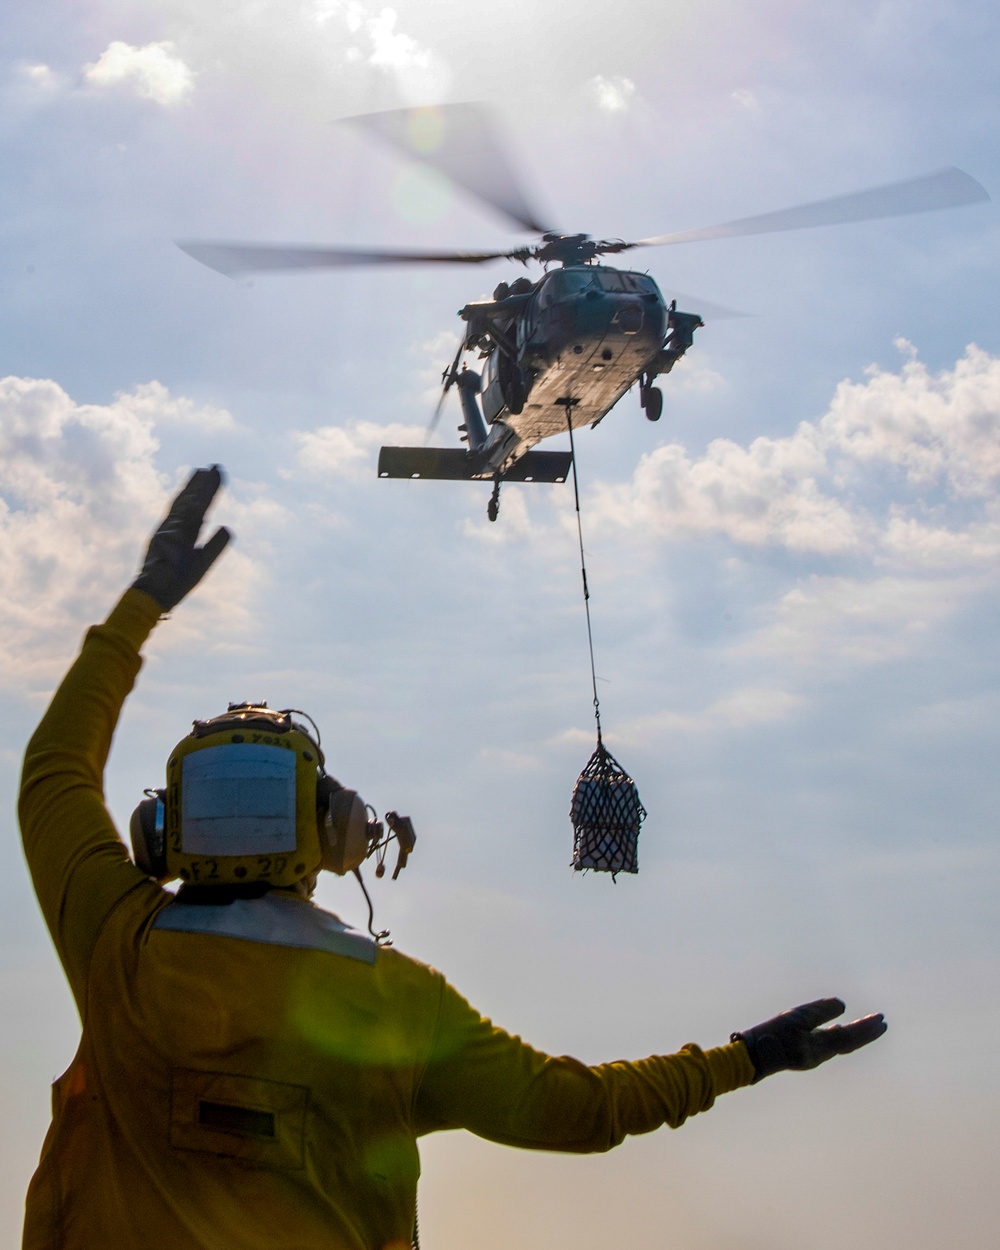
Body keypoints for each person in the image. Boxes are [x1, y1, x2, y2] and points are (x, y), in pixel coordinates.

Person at [19, 467, 887, 1250]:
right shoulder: (397, 1000)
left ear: (164, 831)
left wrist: (144, 600)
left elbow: (54, 768)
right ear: (334, 832)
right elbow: (580, 1110)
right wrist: (749, 1056)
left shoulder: (117, 942)